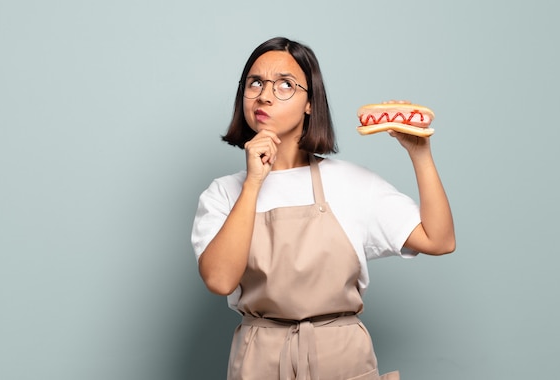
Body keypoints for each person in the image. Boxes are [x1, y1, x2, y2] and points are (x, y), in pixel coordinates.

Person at [191, 36, 455, 380]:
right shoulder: (224, 193)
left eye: (285, 84)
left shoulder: (352, 183)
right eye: (255, 82)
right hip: (260, 358)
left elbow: (440, 240)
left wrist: (420, 154)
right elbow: (220, 279)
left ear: (310, 104)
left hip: (340, 354)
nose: (265, 95)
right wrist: (254, 182)